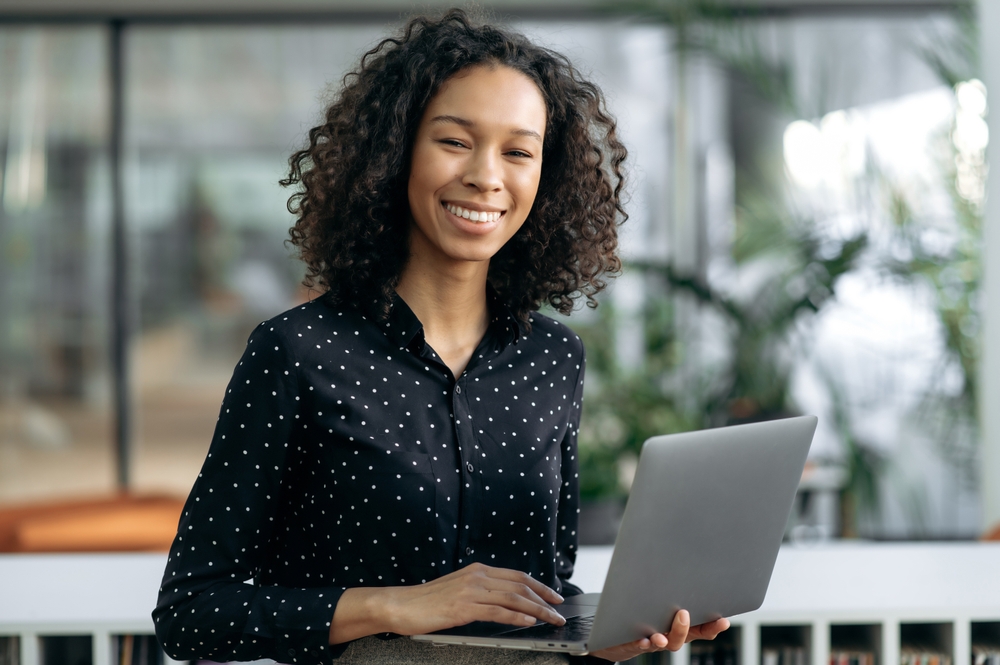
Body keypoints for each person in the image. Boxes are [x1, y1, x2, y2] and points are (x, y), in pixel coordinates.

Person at [152, 9, 729, 664]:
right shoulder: (297, 351)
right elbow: (192, 612)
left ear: (547, 177)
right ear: (396, 152)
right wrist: (397, 603)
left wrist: (610, 634)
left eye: (518, 151)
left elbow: (545, 590)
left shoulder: (553, 357)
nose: (487, 175)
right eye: (455, 141)